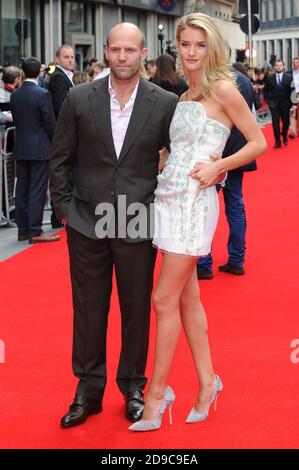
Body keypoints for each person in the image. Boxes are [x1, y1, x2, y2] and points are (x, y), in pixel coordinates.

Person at [129, 12, 266, 432]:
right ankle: (208, 383)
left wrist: (220, 167)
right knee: (186, 300)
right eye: (185, 44)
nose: (191, 53)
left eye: (200, 45)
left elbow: (257, 141)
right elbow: (179, 149)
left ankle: (156, 396)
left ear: (213, 48)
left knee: (162, 301)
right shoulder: (185, 96)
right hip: (168, 198)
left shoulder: (225, 88)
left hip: (194, 203)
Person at [49, 23, 178, 428]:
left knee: (136, 308)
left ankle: (133, 387)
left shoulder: (164, 102)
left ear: (144, 54)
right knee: (88, 309)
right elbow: (61, 158)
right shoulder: (78, 97)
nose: (122, 57)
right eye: (115, 50)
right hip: (87, 221)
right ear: (106, 52)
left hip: (139, 219)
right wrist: (65, 211)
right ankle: (88, 390)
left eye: (130, 50)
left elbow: (177, 158)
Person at [197, 66, 256, 279]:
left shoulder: (211, 81)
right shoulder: (243, 80)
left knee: (205, 207)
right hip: (237, 153)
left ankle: (203, 262)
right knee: (235, 206)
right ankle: (237, 259)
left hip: (215, 154)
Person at [10, 57, 59, 244]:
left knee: (22, 188)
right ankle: (35, 230)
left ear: (22, 71)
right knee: (37, 189)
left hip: (21, 145)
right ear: (39, 72)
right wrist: (56, 142)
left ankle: (23, 230)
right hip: (40, 147)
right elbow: (49, 123)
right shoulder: (42, 94)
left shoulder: (15, 94)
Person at [48, 44, 75, 228]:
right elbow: (61, 108)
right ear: (58, 59)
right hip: (63, 134)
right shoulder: (59, 77)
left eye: (72, 57)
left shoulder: (63, 76)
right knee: (63, 173)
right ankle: (58, 216)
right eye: (66, 57)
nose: (70, 60)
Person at [264, 59, 293, 148]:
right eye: (277, 65)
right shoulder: (269, 78)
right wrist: (269, 103)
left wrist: (292, 104)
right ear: (274, 67)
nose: (278, 67)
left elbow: (292, 91)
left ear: (283, 67)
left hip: (286, 105)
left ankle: (284, 135)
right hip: (274, 105)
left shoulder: (289, 77)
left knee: (286, 123)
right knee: (275, 124)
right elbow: (266, 92)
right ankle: (277, 141)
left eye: (280, 65)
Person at [288, 57, 299, 139]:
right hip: (292, 94)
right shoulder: (288, 73)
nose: (295, 64)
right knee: (292, 113)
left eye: (297, 62)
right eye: (294, 62)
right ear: (292, 63)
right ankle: (292, 131)